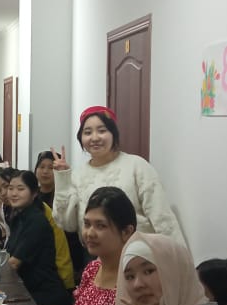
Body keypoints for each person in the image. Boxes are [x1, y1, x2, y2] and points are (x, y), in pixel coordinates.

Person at [51, 105, 186, 246]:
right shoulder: (77, 175)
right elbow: (67, 224)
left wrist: (178, 255)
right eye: (88, 132)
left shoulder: (136, 165)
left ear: (113, 134)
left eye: (102, 130)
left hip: (138, 253)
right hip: (96, 254)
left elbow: (162, 217)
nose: (94, 138)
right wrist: (62, 178)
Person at [36, 187, 136, 305]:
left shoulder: (134, 281)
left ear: (126, 232)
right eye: (87, 224)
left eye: (101, 226)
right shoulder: (92, 269)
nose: (89, 233)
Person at [5, 171, 74, 305]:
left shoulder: (37, 221)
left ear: (34, 193)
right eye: (11, 188)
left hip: (45, 298)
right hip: (27, 290)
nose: (14, 193)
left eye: (20, 189)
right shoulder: (18, 217)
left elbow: (14, 263)